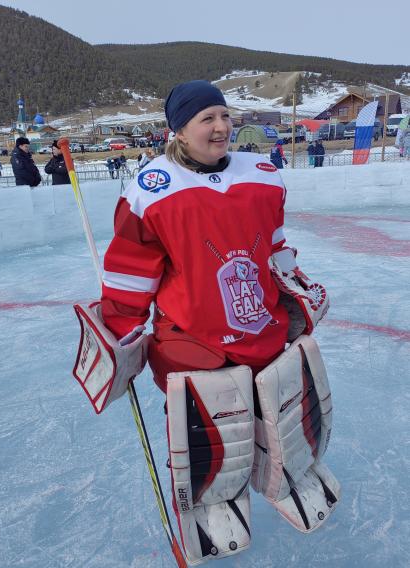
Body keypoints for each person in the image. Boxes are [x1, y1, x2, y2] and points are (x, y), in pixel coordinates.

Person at [74, 80, 338, 564]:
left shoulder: (262, 172)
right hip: (192, 336)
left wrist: (293, 283)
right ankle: (214, 505)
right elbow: (131, 272)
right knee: (217, 430)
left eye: (223, 115)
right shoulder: (152, 189)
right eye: (206, 119)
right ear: (179, 129)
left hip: (261, 323)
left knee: (282, 412)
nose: (220, 127)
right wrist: (120, 329)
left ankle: (291, 475)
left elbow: (275, 246)